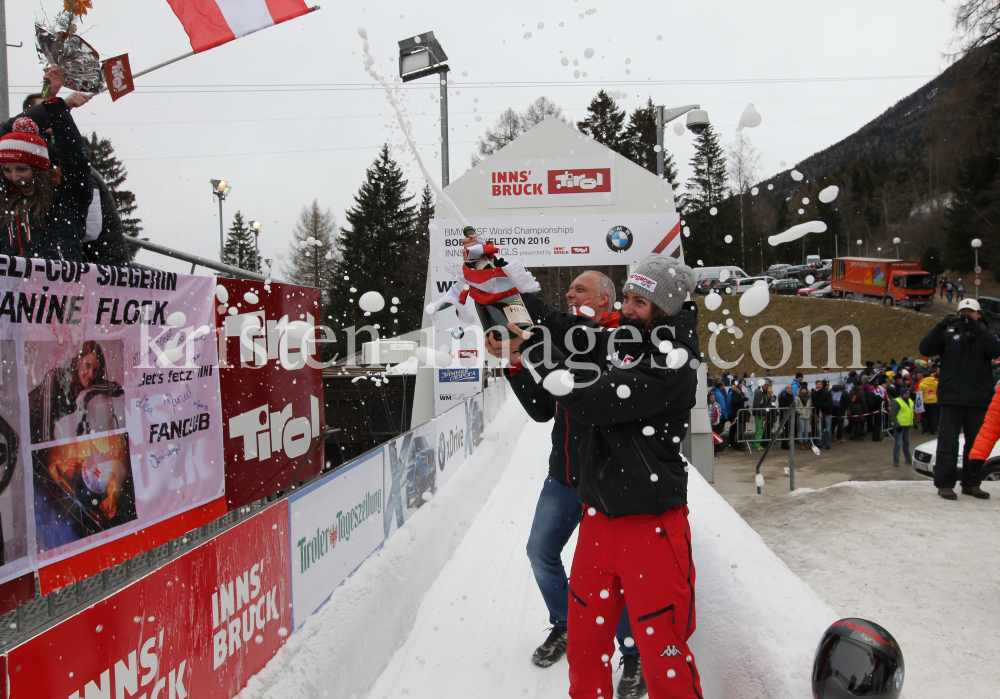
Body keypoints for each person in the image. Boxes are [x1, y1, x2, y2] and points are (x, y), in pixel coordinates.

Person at [504, 252, 704, 699]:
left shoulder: (674, 361)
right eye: (627, 298)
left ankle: (636, 661)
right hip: (598, 519)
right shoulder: (626, 338)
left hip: (651, 527)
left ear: (665, 309)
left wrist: (534, 350)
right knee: (586, 648)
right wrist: (505, 288)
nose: (628, 310)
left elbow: (595, 399)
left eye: (639, 302)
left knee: (662, 654)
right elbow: (558, 324)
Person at [493, 269, 644, 694]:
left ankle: (632, 654)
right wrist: (515, 360)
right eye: (570, 287)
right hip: (563, 479)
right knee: (540, 552)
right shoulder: (565, 338)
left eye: (579, 289)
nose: (569, 292)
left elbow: (586, 378)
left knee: (614, 574)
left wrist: (534, 340)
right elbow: (542, 408)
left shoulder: (620, 342)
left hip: (610, 484)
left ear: (604, 300)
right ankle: (566, 624)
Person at [0, 68, 92, 262]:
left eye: (22, 169)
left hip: (62, 291)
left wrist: (56, 107)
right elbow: (6, 131)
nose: (15, 177)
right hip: (12, 292)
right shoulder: (5, 201)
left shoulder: (68, 198)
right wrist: (51, 99)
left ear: (41, 169)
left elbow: (75, 160)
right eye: (7, 169)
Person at [919, 298, 1000, 500]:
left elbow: (996, 351)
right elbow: (925, 349)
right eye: (963, 311)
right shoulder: (948, 334)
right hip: (950, 397)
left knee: (975, 444)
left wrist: (976, 328)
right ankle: (945, 484)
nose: (966, 315)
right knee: (947, 443)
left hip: (978, 398)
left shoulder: (986, 334)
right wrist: (940, 326)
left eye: (970, 312)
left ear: (978, 314)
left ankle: (972, 483)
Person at [27, 340, 123, 444]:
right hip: (25, 423)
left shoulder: (85, 384)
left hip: (41, 435)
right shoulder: (54, 377)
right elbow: (45, 426)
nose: (90, 374)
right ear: (78, 361)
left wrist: (88, 391)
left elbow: (116, 389)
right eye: (87, 365)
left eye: (95, 370)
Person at [889, 387, 915, 467]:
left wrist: (914, 422)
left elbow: (911, 413)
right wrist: (897, 425)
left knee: (907, 442)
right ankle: (896, 460)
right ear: (901, 394)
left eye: (908, 394)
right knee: (898, 443)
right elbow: (892, 415)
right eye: (906, 394)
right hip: (899, 426)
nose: (907, 395)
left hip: (907, 425)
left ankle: (908, 459)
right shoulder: (897, 402)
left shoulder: (910, 401)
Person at [751, 382, 774, 450]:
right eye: (765, 385)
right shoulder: (759, 392)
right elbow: (756, 404)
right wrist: (761, 412)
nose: (766, 386)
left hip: (763, 414)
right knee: (759, 430)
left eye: (767, 385)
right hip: (760, 415)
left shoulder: (764, 393)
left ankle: (757, 444)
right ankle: (756, 445)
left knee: (761, 430)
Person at [811, 380, 833, 450]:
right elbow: (813, 403)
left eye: (819, 384)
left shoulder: (827, 393)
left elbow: (829, 403)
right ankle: (819, 443)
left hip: (827, 413)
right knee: (819, 428)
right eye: (817, 384)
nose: (818, 385)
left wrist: (820, 405)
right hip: (818, 413)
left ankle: (827, 443)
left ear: (822, 385)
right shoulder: (814, 393)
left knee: (828, 429)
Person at [915, 369, 939, 434]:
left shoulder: (921, 383)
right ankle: (934, 430)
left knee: (925, 416)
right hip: (934, 400)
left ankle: (925, 430)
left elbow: (919, 393)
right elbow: (938, 390)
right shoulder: (935, 382)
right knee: (934, 416)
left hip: (925, 401)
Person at [727, 378, 748, 450]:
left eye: (744, 384)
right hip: (738, 413)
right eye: (741, 383)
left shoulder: (742, 392)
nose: (743, 385)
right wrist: (743, 399)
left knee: (742, 429)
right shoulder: (736, 392)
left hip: (742, 413)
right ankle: (738, 444)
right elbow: (735, 402)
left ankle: (739, 442)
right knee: (739, 429)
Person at [777, 384, 795, 450]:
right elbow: (781, 405)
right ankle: (784, 443)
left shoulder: (791, 396)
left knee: (788, 429)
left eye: (790, 388)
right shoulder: (783, 395)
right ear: (785, 389)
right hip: (784, 414)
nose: (789, 389)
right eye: (788, 388)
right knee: (785, 430)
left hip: (789, 414)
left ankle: (785, 442)